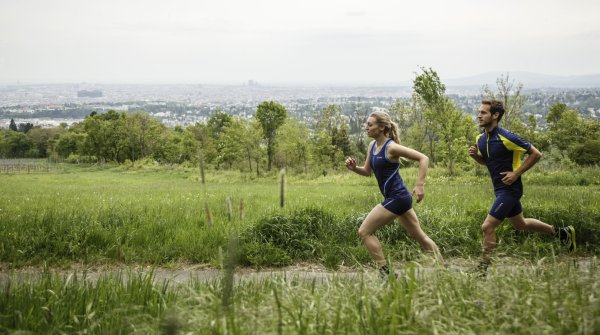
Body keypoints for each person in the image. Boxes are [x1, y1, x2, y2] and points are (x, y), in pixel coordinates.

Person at [468, 100, 576, 275]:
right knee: (521, 224)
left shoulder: (507, 137)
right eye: (479, 112)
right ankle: (563, 233)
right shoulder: (481, 139)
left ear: (495, 115)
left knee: (487, 226)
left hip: (511, 189)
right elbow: (489, 162)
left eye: (483, 113)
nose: (479, 115)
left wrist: (516, 173)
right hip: (499, 189)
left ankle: (482, 269)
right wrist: (476, 158)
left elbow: (536, 153)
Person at [345, 111, 444, 278]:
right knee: (420, 237)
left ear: (382, 127)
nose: (366, 128)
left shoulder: (391, 147)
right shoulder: (372, 146)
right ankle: (444, 271)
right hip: (399, 198)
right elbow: (367, 171)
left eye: (370, 125)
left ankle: (386, 274)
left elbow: (423, 158)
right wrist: (354, 168)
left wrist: (420, 185)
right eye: (366, 125)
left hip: (397, 198)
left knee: (364, 232)